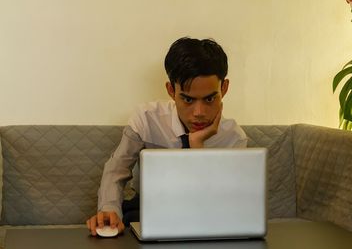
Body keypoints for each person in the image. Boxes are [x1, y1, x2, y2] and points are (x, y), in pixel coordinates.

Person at [86, 37, 248, 236]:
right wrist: (109, 209)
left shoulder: (234, 138)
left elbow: (220, 207)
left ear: (224, 89)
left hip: (203, 219)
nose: (199, 112)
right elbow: (116, 170)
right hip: (147, 211)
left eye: (209, 99)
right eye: (188, 99)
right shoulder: (146, 118)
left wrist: (197, 147)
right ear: (171, 90)